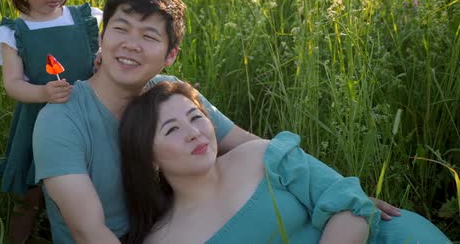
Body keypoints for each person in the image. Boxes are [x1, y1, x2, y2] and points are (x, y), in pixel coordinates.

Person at [32, 0, 399, 243]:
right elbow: (88, 230)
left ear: (170, 54)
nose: (131, 45)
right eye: (121, 29)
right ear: (102, 35)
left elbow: (248, 146)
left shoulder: (168, 92)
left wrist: (328, 189)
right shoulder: (60, 119)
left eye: (149, 37)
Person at [118, 80, 452, 244]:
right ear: (150, 158)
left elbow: (350, 204)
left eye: (196, 117)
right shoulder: (163, 239)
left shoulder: (259, 155)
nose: (193, 133)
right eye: (172, 129)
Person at [0, 0, 101, 243]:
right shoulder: (14, 33)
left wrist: (102, 63)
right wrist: (43, 93)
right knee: (30, 195)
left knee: (92, 185)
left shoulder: (85, 18)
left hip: (89, 116)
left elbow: (103, 60)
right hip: (39, 122)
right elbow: (13, 84)